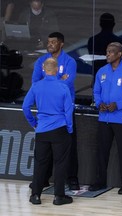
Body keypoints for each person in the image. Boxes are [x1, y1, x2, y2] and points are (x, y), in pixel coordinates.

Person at [90, 42, 122, 195]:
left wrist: (118, 105)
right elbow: (96, 91)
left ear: (120, 54)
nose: (107, 54)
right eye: (107, 51)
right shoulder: (102, 71)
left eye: (111, 52)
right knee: (101, 152)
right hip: (104, 118)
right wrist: (99, 103)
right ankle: (100, 182)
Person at [31, 32, 79, 191]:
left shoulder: (70, 61)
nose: (49, 44)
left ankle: (72, 179)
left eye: (53, 42)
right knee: (45, 150)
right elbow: (35, 82)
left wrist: (51, 81)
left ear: (61, 44)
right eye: (48, 42)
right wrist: (59, 79)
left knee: (69, 147)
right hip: (46, 110)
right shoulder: (40, 61)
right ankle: (43, 180)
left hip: (65, 111)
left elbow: (68, 83)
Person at [22, 57, 73, 205]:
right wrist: (69, 128)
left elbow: (25, 107)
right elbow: (68, 111)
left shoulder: (36, 86)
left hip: (42, 129)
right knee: (61, 163)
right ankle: (58, 197)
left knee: (40, 163)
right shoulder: (63, 87)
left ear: (43, 70)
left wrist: (34, 123)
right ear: (57, 70)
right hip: (60, 129)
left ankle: (36, 196)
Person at [87, 12, 122, 86]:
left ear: (100, 24)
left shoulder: (92, 40)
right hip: (115, 80)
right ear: (113, 24)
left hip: (99, 77)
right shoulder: (120, 42)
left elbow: (94, 60)